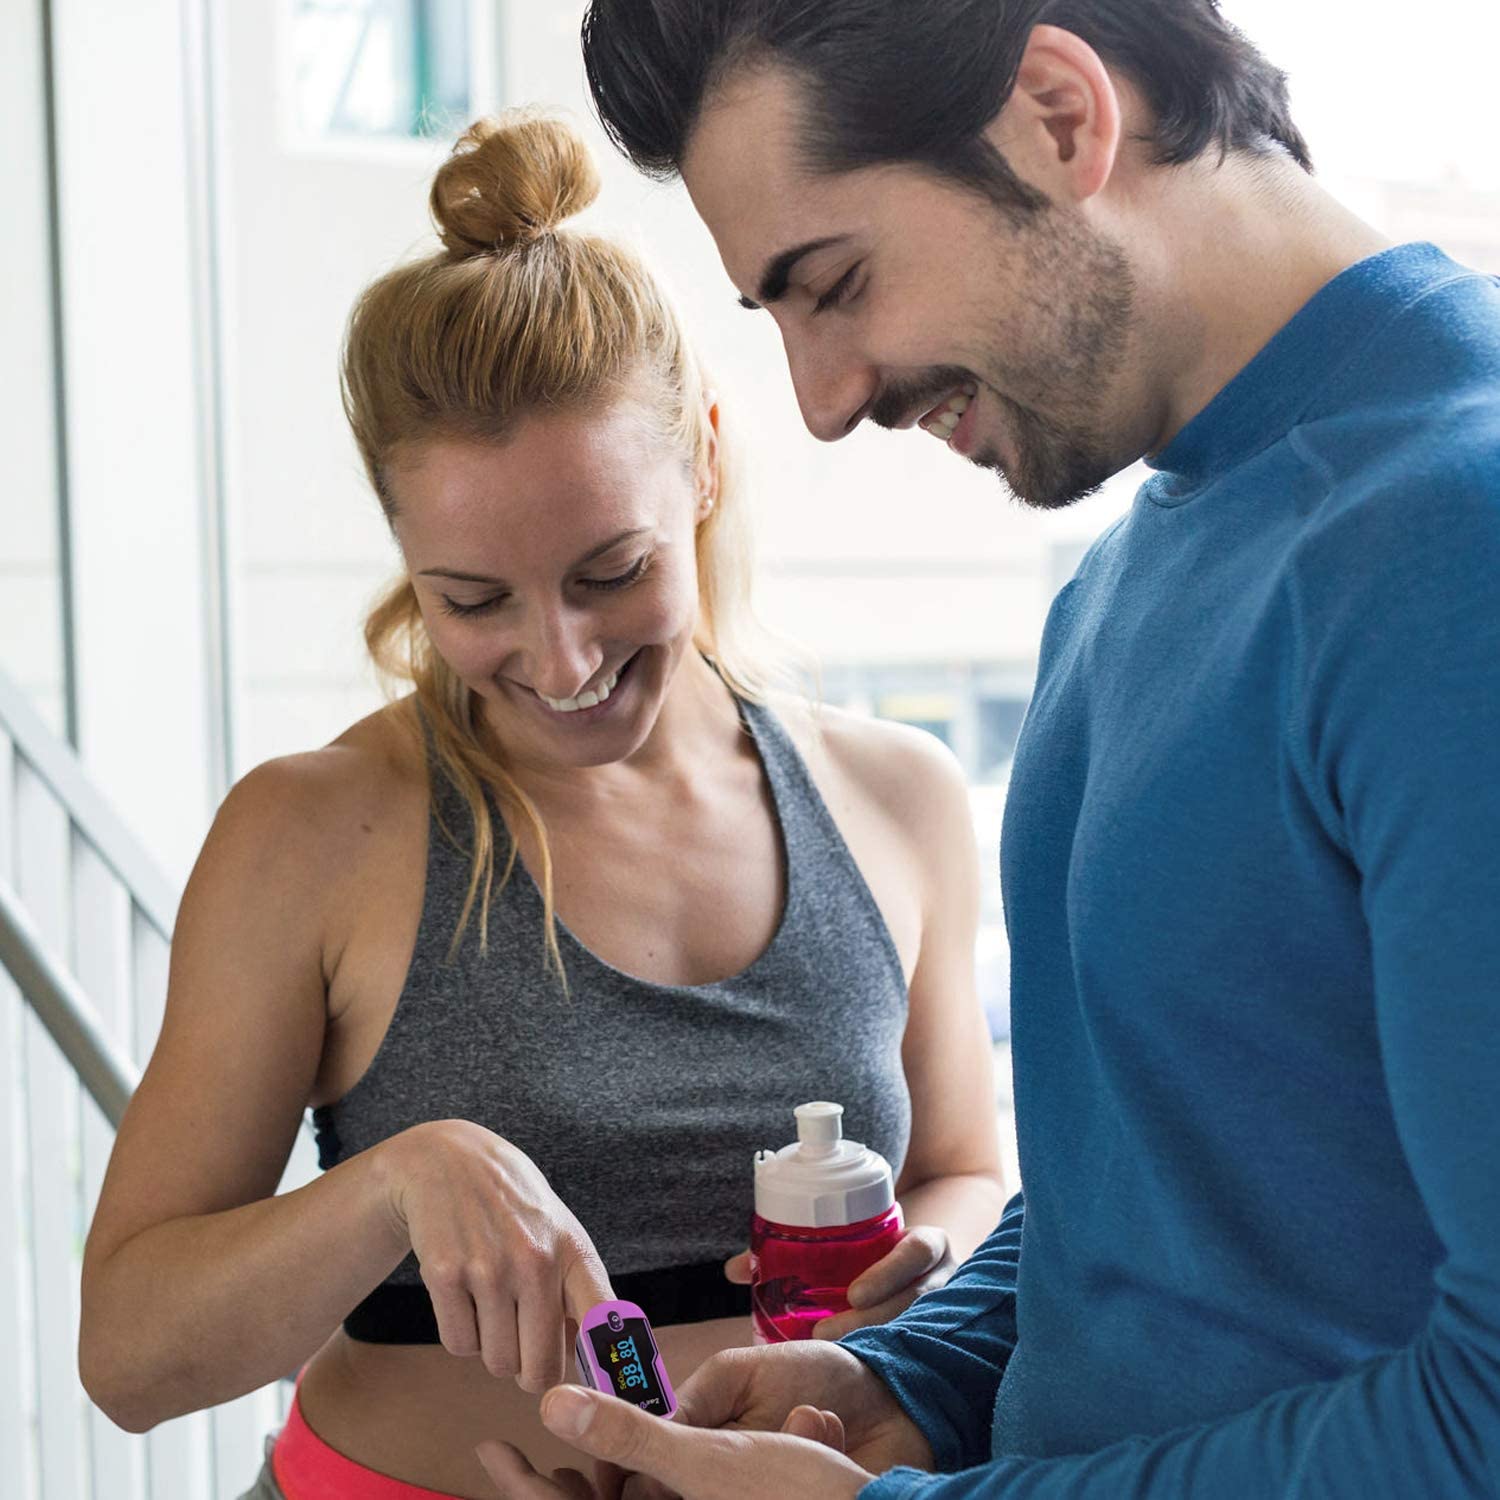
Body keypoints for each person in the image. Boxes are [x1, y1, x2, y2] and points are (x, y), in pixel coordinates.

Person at [471, 2, 1500, 1496]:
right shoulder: (1120, 585)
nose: (822, 403)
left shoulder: (1453, 550)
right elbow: (1151, 1193)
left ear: (1060, 116)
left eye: (834, 285)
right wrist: (914, 1380)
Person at [76, 109, 1009, 1500]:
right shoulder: (314, 833)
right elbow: (132, 1356)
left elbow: (968, 1176)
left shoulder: (899, 796)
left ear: (702, 455)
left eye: (610, 570)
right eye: (473, 600)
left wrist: (907, 1311)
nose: (561, 659)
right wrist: (403, 1177)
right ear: (406, 552)